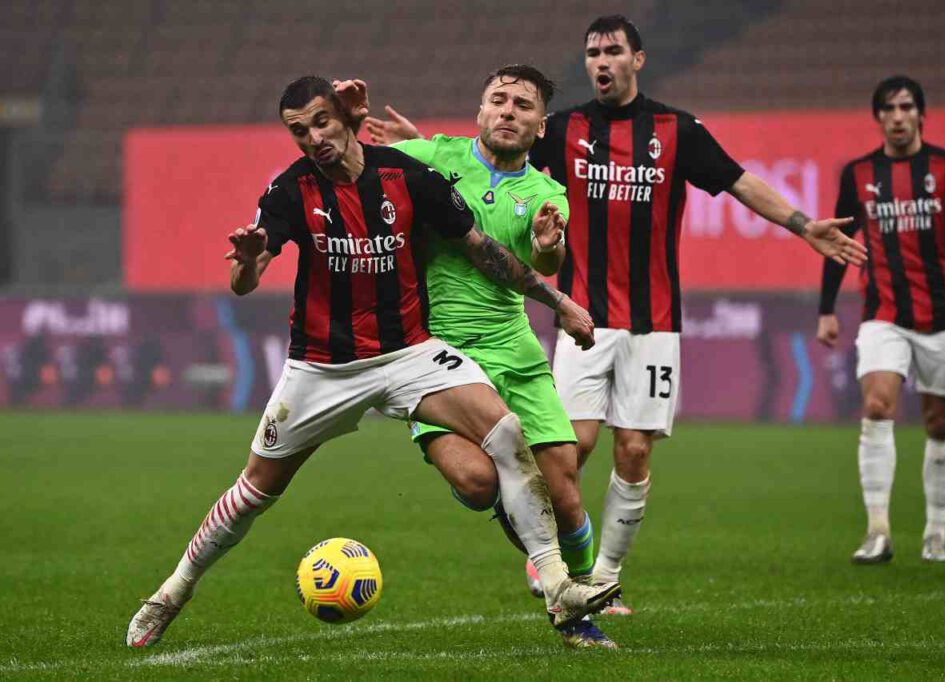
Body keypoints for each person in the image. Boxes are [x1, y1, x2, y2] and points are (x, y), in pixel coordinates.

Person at [367, 15, 866, 614]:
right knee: (570, 450)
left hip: (655, 319)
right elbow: (487, 168)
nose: (601, 62)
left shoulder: (676, 131)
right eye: (592, 53)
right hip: (586, 317)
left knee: (633, 449)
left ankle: (603, 575)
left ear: (638, 59)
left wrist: (804, 225)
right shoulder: (566, 127)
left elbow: (739, 183)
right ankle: (549, 552)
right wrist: (420, 143)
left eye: (612, 52)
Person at [124, 76, 621, 649]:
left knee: (507, 436)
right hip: (321, 366)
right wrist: (246, 261)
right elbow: (247, 277)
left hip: (408, 353)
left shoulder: (408, 177)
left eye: (321, 122)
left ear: (344, 118)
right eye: (298, 131)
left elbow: (484, 252)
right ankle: (172, 592)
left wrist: (558, 301)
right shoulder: (290, 189)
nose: (313, 139)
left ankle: (559, 587)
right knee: (255, 491)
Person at [365, 64, 613, 649]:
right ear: (479, 112)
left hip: (514, 350)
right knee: (480, 483)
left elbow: (544, 264)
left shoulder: (548, 194)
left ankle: (580, 606)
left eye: (522, 105)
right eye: (498, 100)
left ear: (539, 125)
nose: (508, 111)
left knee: (567, 491)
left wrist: (549, 250)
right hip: (435, 356)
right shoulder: (432, 156)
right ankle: (522, 522)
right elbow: (363, 160)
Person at [817, 75, 945, 564]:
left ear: (920, 114)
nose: (897, 116)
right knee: (875, 405)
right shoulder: (858, 175)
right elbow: (838, 245)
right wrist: (827, 307)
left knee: (939, 422)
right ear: (878, 118)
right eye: (888, 108)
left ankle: (935, 533)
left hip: (941, 315)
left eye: (906, 107)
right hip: (883, 314)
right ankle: (878, 531)